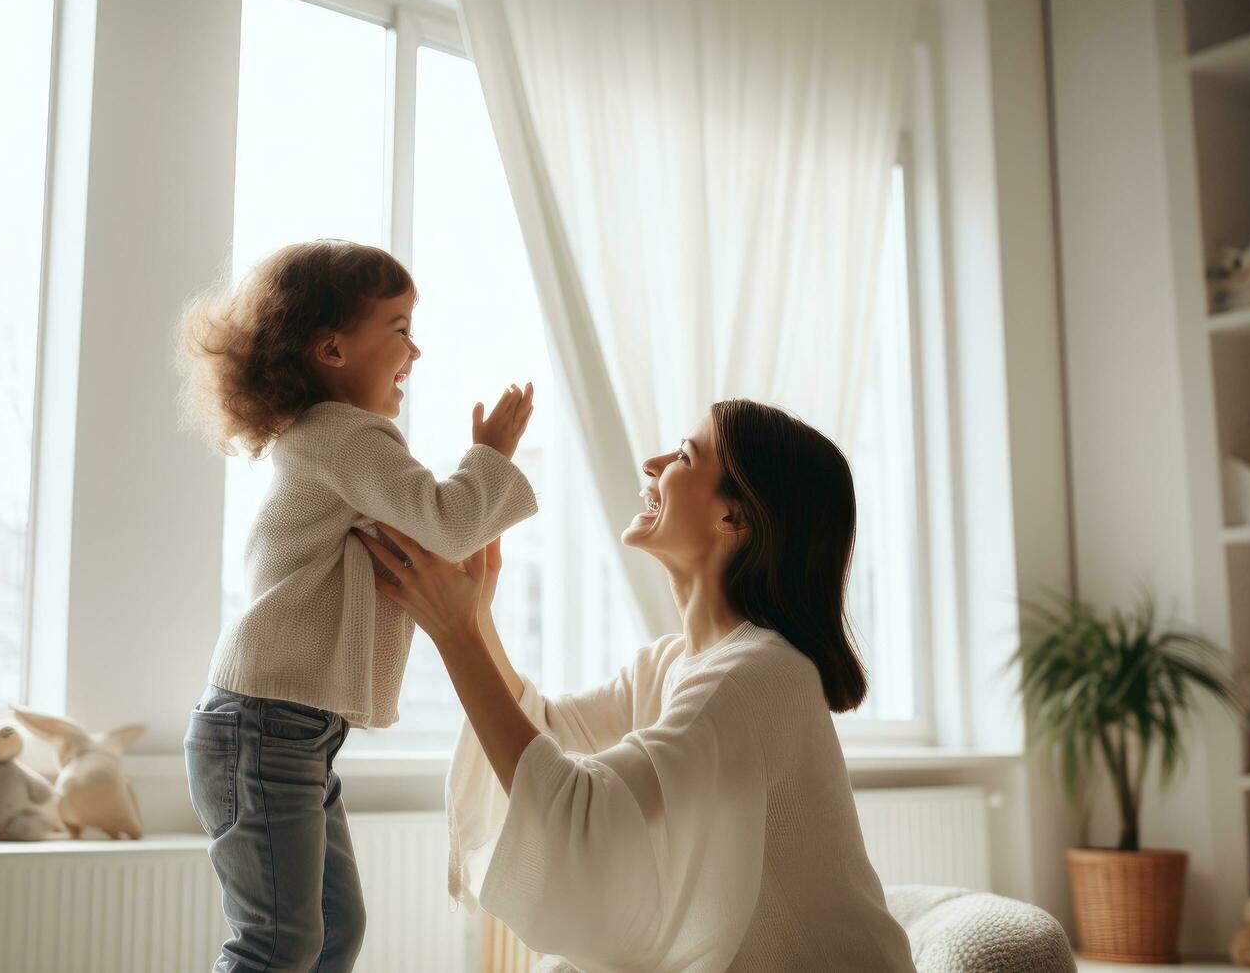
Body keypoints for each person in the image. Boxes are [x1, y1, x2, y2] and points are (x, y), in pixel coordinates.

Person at [356, 399, 917, 972]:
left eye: (683, 455)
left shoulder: (757, 676)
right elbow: (550, 733)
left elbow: (577, 812)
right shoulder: (677, 664)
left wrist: (457, 636)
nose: (652, 463)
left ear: (735, 517)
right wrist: (475, 619)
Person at [177, 238, 538, 972]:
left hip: (287, 731)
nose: (417, 349)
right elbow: (446, 518)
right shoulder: (346, 435)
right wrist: (492, 453)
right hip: (264, 729)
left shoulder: (329, 442)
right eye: (400, 327)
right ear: (333, 350)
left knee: (333, 932)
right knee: (279, 943)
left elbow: (423, 534)